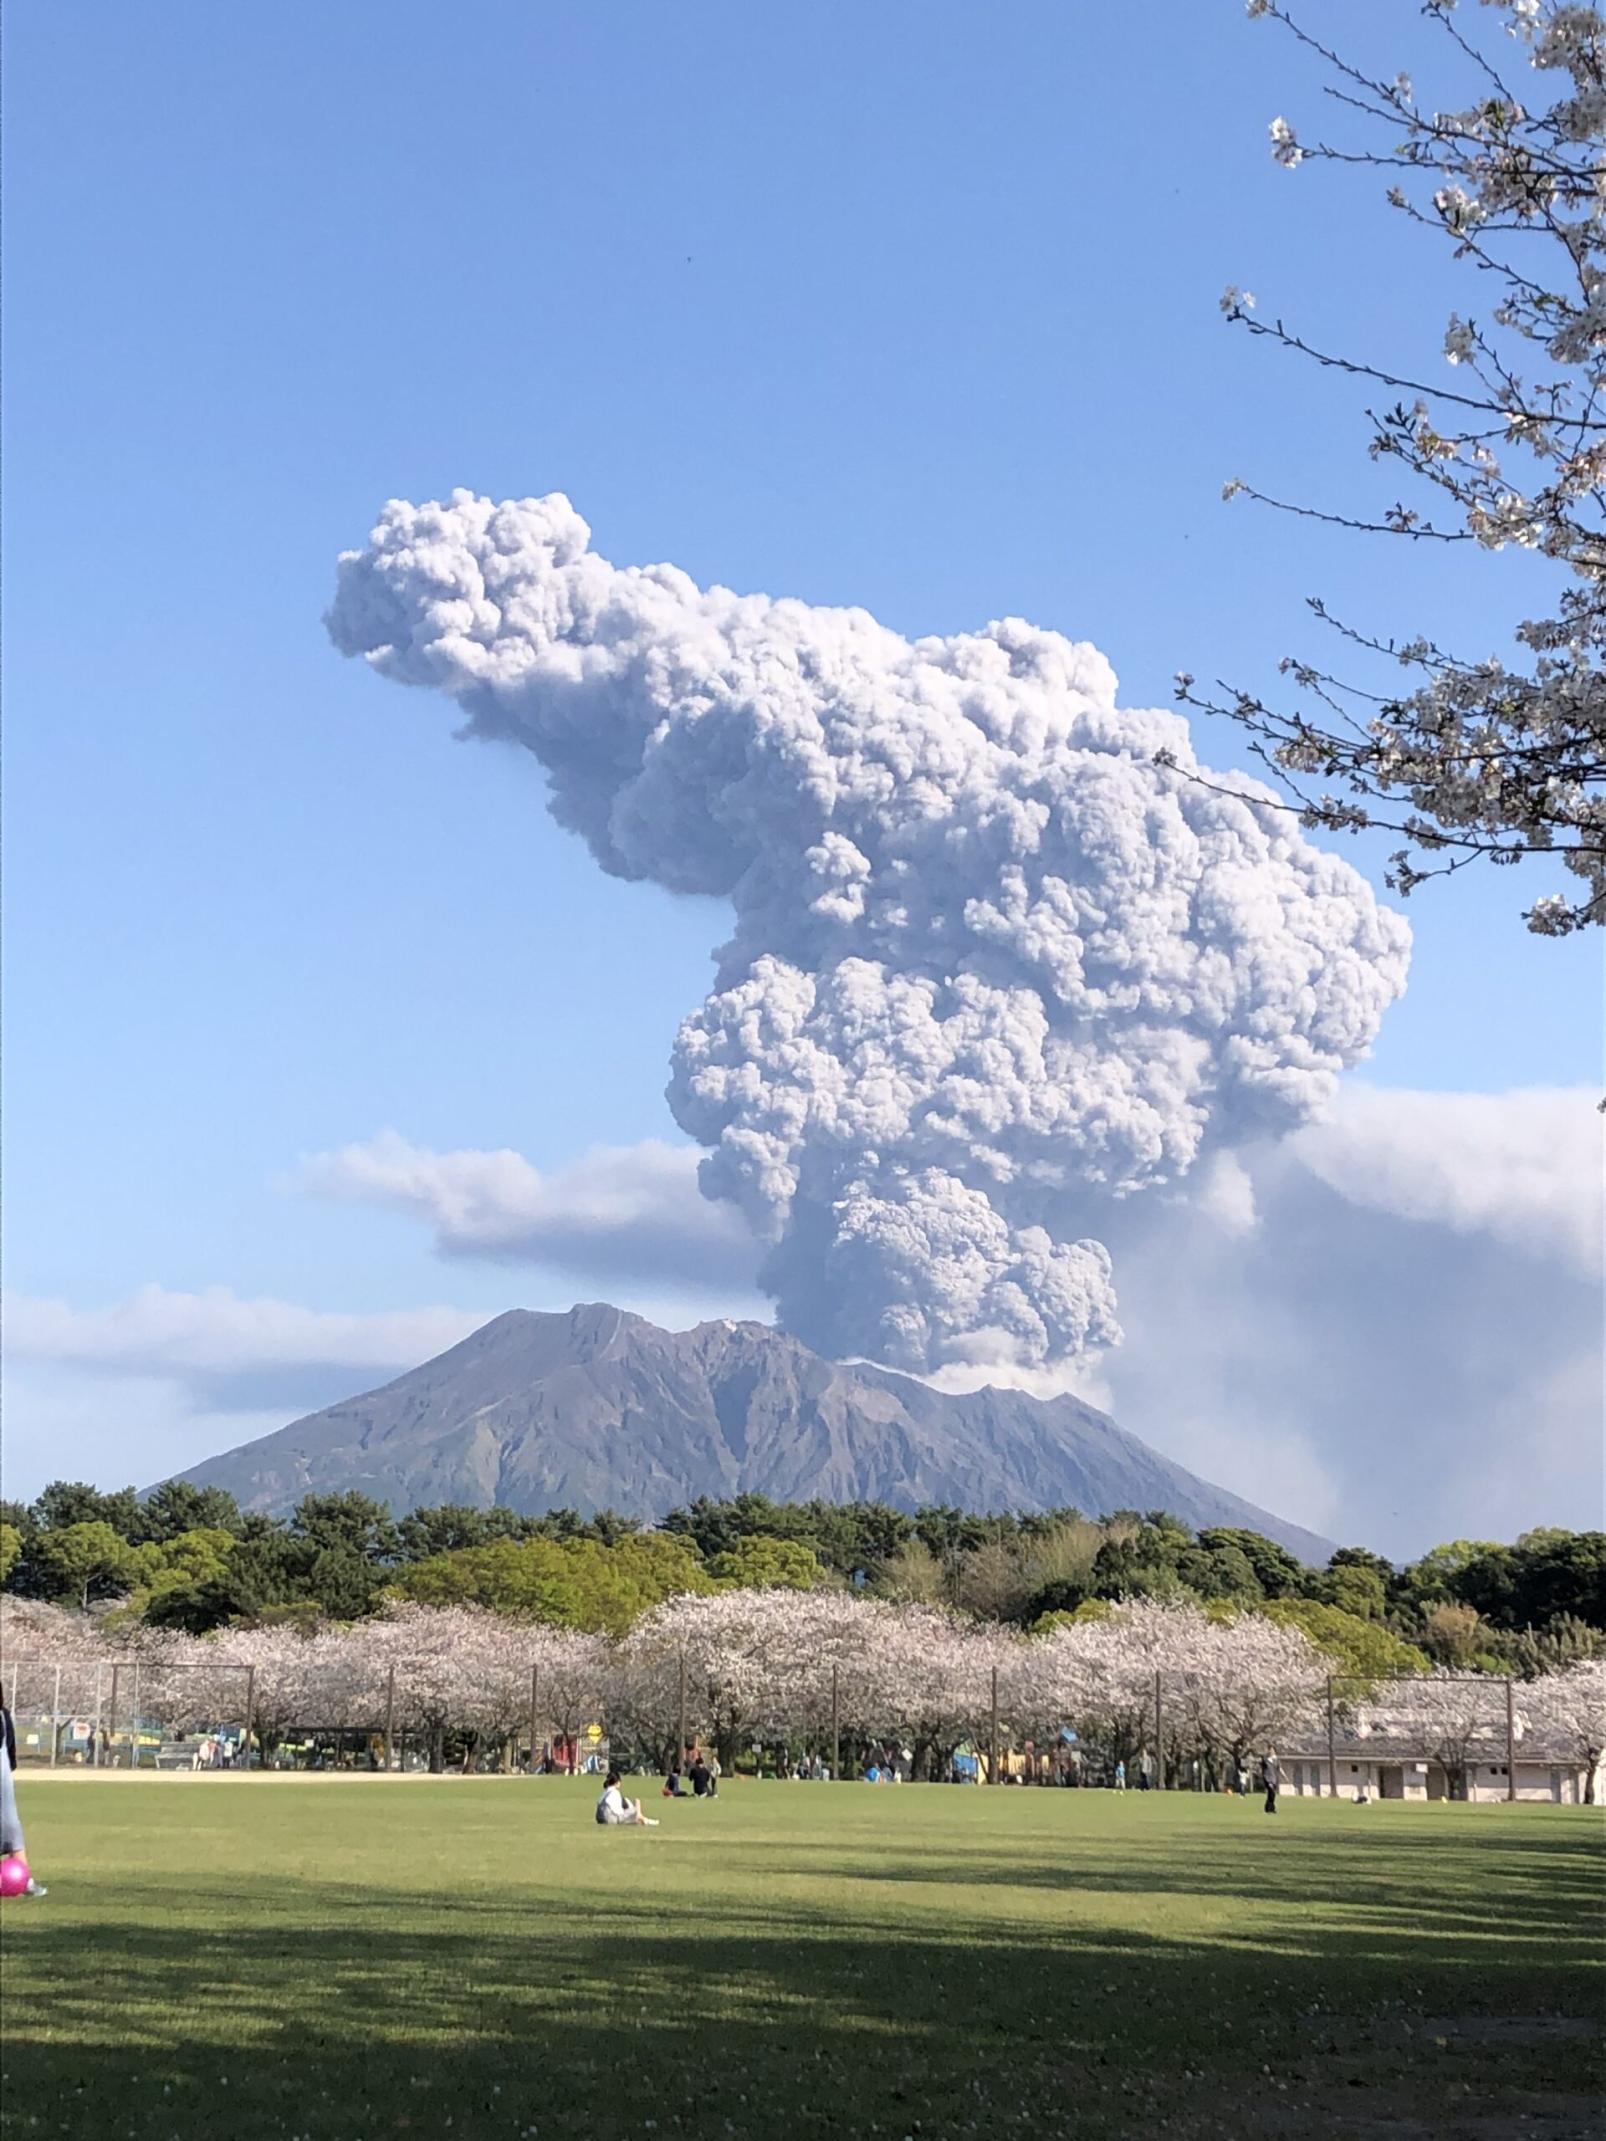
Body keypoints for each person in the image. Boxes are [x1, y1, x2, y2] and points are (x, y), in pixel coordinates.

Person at [0, 1685, 47, 1896]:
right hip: (3, 1782)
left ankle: (24, 1880)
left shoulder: (3, 1717)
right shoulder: (4, 1716)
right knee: (12, 1831)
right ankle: (25, 1881)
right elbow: (11, 1754)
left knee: (11, 1829)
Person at [1261, 1748, 1281, 1815]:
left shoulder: (1276, 1760)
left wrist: (1284, 1776)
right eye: (1270, 1750)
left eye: (1273, 1750)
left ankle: (1269, 1808)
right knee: (1271, 1793)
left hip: (1275, 1779)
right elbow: (1263, 1769)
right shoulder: (1265, 1760)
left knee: (1272, 1795)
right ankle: (1270, 1809)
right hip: (1268, 1779)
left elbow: (1279, 1769)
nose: (1271, 1751)